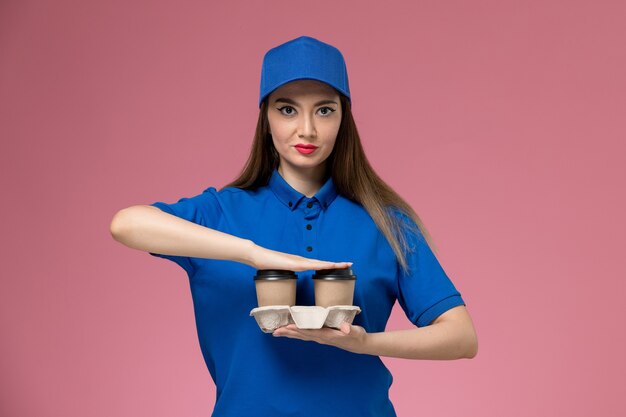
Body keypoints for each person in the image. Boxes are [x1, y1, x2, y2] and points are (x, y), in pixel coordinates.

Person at [110, 35, 478, 417]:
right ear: (265, 117)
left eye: (324, 110)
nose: (307, 129)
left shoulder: (386, 223)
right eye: (287, 110)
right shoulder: (221, 214)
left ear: (343, 118)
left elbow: (462, 337)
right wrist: (252, 252)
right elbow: (126, 224)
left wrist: (364, 342)